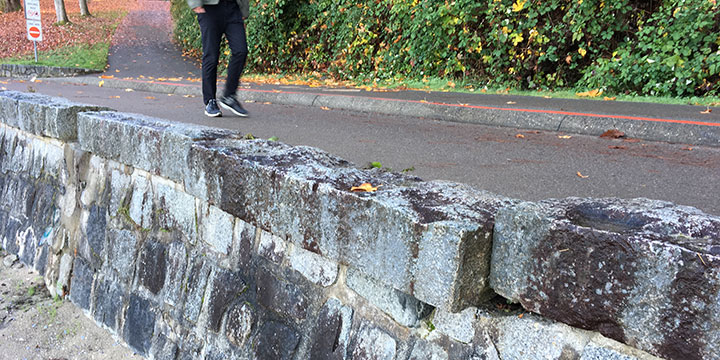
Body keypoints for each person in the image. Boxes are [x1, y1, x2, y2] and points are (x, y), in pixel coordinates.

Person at [187, 0, 250, 117]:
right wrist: (195, 3)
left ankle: (229, 96)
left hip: (233, 9)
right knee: (211, 56)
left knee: (241, 51)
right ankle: (210, 101)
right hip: (210, 10)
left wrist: (244, 10)